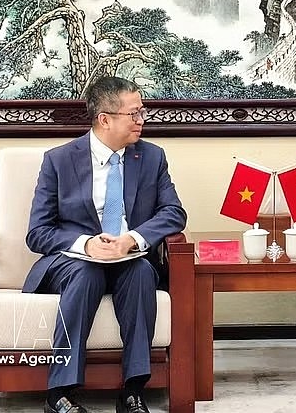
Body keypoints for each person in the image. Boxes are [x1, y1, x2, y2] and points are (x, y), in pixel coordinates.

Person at [23, 76, 187, 413]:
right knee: (87, 274)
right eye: (134, 114)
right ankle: (60, 393)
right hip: (74, 262)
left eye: (143, 112)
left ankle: (133, 390)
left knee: (142, 272)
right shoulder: (59, 160)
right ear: (105, 119)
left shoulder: (152, 157)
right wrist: (86, 244)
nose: (142, 120)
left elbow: (174, 213)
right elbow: (37, 232)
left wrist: (132, 239)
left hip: (129, 258)